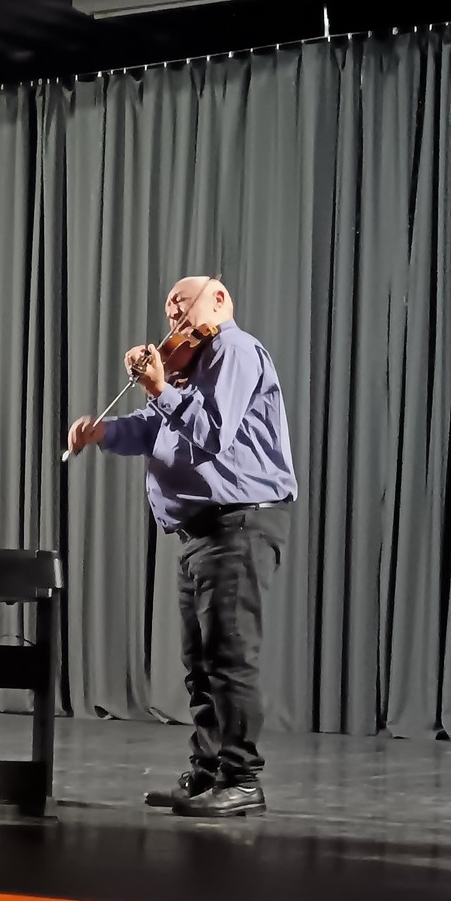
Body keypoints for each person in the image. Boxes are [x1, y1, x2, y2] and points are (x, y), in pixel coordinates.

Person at [68, 278, 296, 817]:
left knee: (229, 658)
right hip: (201, 532)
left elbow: (213, 433)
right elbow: (155, 430)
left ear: (219, 300)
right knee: (200, 663)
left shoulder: (233, 349)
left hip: (238, 523)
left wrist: (158, 388)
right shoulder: (189, 364)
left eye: (182, 302)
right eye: (169, 307)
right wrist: (102, 433)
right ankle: (209, 772)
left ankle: (242, 778)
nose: (172, 313)